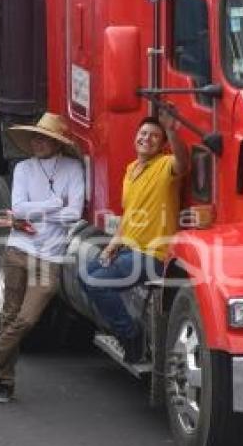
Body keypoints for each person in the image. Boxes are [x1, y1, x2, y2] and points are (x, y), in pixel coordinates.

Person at [0, 112, 85, 403]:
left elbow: (74, 214)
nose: (38, 142)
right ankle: (6, 383)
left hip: (50, 257)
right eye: (35, 137)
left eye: (45, 138)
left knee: (27, 318)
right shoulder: (23, 168)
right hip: (18, 250)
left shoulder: (73, 168)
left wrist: (37, 210)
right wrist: (52, 203)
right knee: (8, 317)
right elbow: (18, 209)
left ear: (57, 144)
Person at [81, 111, 189, 363]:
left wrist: (171, 130)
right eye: (143, 134)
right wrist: (111, 246)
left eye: (154, 136)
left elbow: (183, 163)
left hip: (153, 255)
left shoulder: (165, 165)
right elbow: (129, 214)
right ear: (135, 138)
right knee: (85, 274)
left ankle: (130, 334)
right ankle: (122, 328)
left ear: (162, 145)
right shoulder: (130, 169)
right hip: (127, 249)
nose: (147, 139)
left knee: (98, 283)